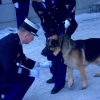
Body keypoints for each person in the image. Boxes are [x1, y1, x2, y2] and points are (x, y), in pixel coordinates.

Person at [32, 0, 78, 94]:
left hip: (63, 25)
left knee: (60, 54)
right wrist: (48, 36)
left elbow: (72, 1)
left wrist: (69, 18)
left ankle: (59, 83)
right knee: (50, 54)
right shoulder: (35, 3)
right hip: (51, 28)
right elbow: (43, 20)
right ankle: (55, 75)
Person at [0, 18, 52, 100]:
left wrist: (41, 65)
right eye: (32, 37)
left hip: (3, 72)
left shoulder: (15, 40)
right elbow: (9, 69)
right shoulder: (9, 44)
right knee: (26, 80)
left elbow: (22, 58)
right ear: (25, 36)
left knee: (27, 78)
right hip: (2, 75)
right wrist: (28, 72)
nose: (33, 39)